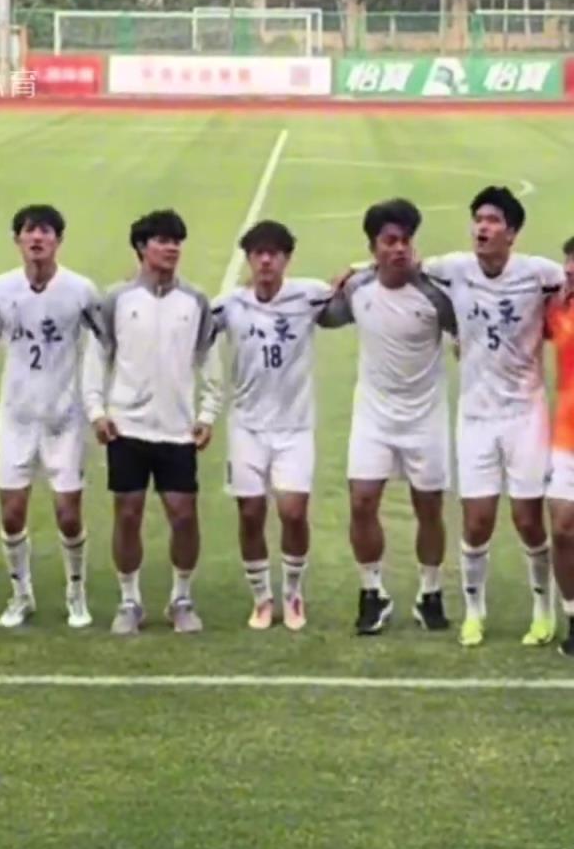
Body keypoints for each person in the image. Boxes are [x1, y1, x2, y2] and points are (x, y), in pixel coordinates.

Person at [423, 186, 563, 648]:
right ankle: (474, 612)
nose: (482, 227)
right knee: (477, 521)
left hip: (525, 413)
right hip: (476, 417)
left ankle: (543, 610)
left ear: (512, 233)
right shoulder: (453, 269)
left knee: (528, 520)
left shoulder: (539, 274)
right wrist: (355, 272)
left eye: (493, 220)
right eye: (478, 219)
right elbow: (403, 267)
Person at [82, 208, 221, 635]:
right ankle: (129, 601)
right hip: (127, 427)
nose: (172, 248)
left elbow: (208, 359)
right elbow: (97, 357)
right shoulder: (116, 299)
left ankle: (181, 598)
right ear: (142, 247)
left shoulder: (195, 301)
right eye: (162, 240)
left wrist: (207, 412)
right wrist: (96, 410)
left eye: (176, 241)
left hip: (177, 430)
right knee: (128, 514)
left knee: (184, 515)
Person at [325, 199, 456, 637]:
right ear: (373, 247)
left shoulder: (434, 295)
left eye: (406, 241)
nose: (399, 249)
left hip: (425, 417)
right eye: (390, 241)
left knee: (429, 507)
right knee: (362, 502)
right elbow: (324, 317)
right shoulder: (358, 289)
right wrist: (338, 282)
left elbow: (465, 326)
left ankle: (430, 593)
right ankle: (372, 592)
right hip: (374, 418)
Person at [209, 219, 334, 632]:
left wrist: (352, 274)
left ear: (286, 258)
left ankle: (293, 593)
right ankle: (261, 598)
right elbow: (191, 323)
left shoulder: (309, 296)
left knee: (293, 512)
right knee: (250, 514)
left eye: (273, 253)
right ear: (248, 258)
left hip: (294, 427)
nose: (265, 261)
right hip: (246, 427)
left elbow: (346, 298)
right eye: (258, 253)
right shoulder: (230, 305)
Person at [0, 205, 102, 630]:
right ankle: (21, 594)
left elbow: (106, 338)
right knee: (12, 513)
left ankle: (76, 591)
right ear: (17, 239)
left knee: (68, 514)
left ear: (58, 240)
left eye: (46, 231)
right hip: (15, 417)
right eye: (29, 231)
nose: (37, 238)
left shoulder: (80, 290)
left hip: (63, 418)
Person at [544, 236, 574, 657]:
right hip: (567, 438)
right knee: (564, 530)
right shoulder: (557, 310)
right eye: (567, 265)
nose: (569, 271)